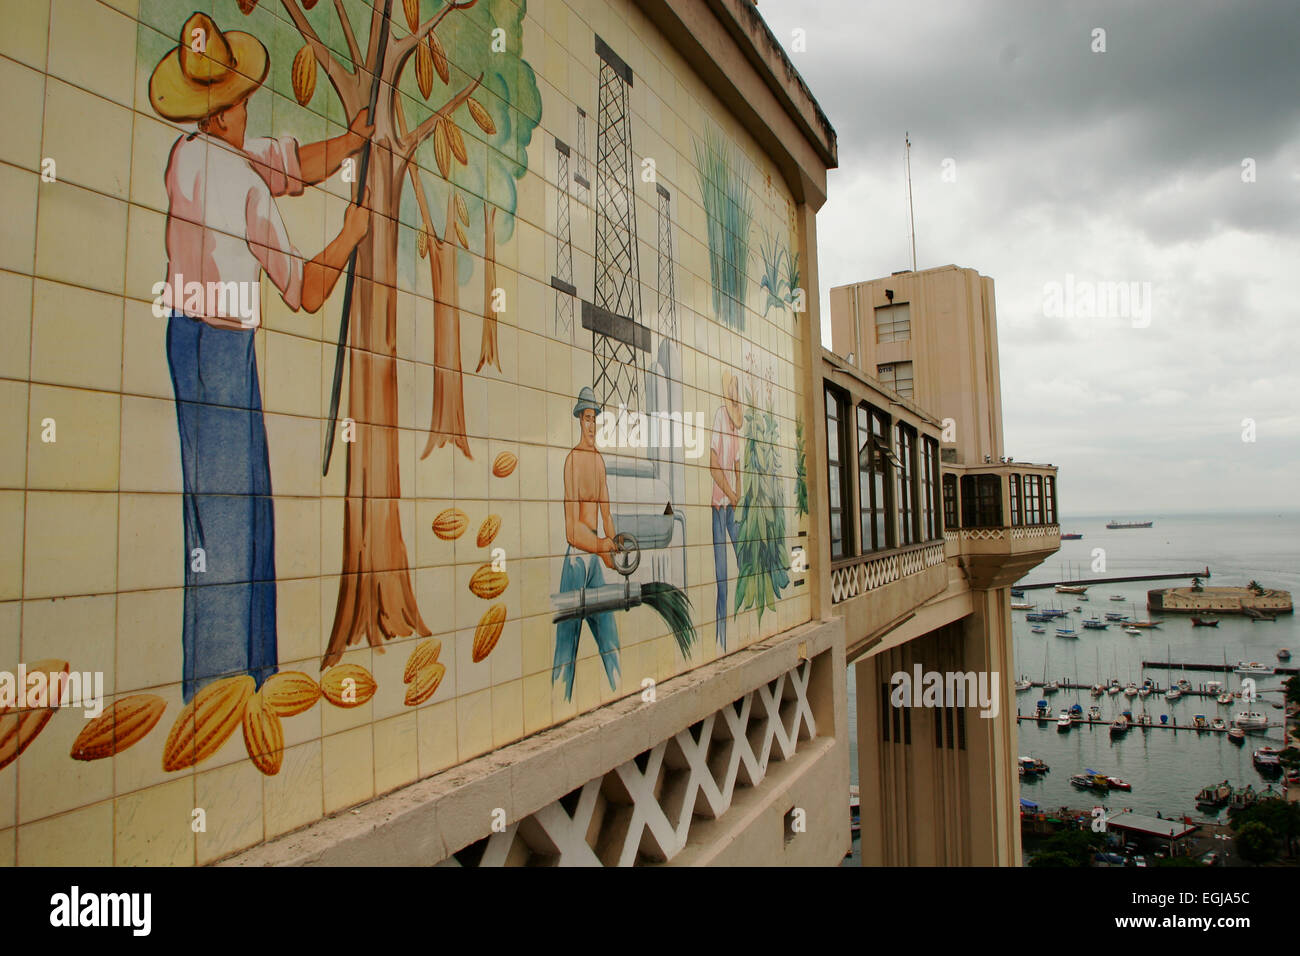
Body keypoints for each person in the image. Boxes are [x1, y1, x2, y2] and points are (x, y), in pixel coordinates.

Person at [149, 12, 372, 701]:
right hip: (220, 349)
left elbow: (284, 163)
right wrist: (348, 235)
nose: (249, 113)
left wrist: (350, 142)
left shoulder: (188, 154)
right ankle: (220, 687)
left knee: (240, 514)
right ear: (221, 115)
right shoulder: (240, 187)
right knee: (228, 520)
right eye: (243, 104)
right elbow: (305, 290)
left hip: (192, 341)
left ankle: (252, 677)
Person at [553, 387, 621, 700]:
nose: (592, 425)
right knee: (566, 649)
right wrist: (601, 546)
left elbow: (606, 517)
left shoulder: (599, 463)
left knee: (610, 639)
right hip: (576, 562)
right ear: (581, 420)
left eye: (596, 419)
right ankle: (557, 700)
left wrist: (616, 547)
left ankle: (620, 690)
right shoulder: (572, 462)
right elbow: (571, 531)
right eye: (588, 418)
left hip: (593, 561)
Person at [709, 372, 743, 648]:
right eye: (733, 392)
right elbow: (713, 464)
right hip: (719, 507)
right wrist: (731, 492)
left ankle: (739, 630)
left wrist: (739, 488)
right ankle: (721, 638)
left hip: (732, 507)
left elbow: (737, 461)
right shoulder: (721, 417)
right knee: (722, 579)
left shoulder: (735, 426)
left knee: (744, 560)